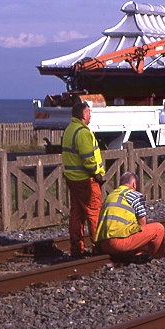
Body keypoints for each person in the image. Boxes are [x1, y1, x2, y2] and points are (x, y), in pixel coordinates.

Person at [61, 101, 105, 258]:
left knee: (76, 214)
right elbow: (89, 159)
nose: (91, 115)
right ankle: (98, 248)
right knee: (94, 213)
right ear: (84, 115)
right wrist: (97, 175)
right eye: (89, 112)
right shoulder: (83, 133)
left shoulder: (69, 130)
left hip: (73, 179)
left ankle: (76, 248)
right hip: (87, 180)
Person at [95, 171, 165, 263]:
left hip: (103, 244)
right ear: (134, 184)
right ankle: (157, 259)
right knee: (158, 229)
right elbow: (142, 223)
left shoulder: (110, 196)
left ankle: (132, 255)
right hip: (119, 242)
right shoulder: (135, 195)